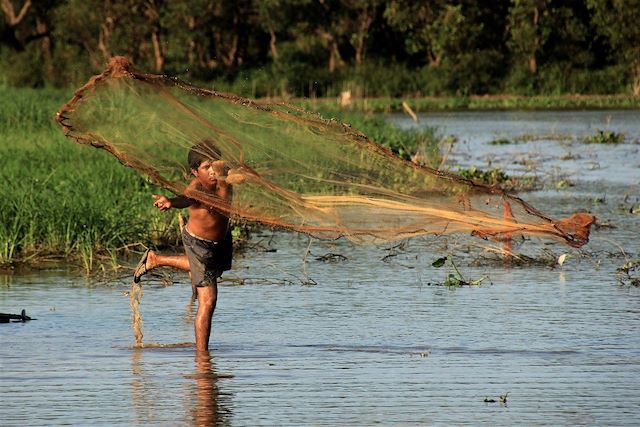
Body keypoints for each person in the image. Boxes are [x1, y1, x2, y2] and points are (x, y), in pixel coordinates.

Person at [133, 142, 245, 351]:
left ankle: (156, 259)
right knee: (208, 300)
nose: (212, 171)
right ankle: (203, 358)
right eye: (206, 167)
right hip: (198, 243)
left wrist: (242, 175)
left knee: (213, 270)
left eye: (215, 165)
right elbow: (186, 198)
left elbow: (241, 176)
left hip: (222, 240)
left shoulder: (224, 177)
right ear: (195, 171)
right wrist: (170, 202)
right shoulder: (197, 187)